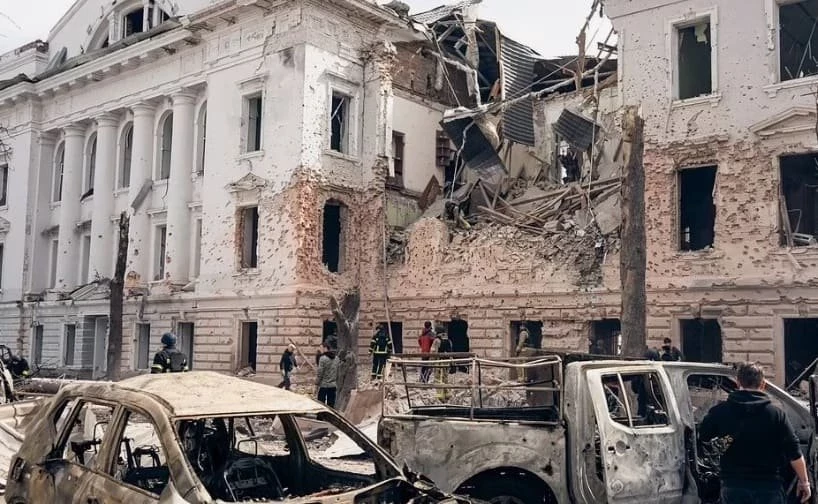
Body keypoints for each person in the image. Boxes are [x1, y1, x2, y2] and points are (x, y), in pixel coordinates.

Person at [699, 362, 811, 504]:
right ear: (763, 384)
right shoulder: (776, 414)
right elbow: (794, 452)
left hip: (733, 487)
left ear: (738, 382)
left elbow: (703, 435)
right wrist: (804, 482)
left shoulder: (720, 411)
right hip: (769, 488)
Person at [432, 326, 453, 401]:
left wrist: (432, 362)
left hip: (439, 362)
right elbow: (451, 351)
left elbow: (434, 352)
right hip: (447, 362)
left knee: (438, 378)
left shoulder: (437, 340)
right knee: (445, 378)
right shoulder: (449, 340)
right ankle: (447, 394)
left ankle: (440, 396)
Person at [315, 343, 338, 408]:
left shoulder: (322, 358)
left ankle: (322, 415)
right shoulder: (336, 358)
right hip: (333, 385)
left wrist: (316, 384)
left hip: (324, 385)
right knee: (331, 405)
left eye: (320, 348)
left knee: (321, 404)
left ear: (325, 348)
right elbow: (338, 371)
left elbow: (320, 373)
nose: (319, 349)